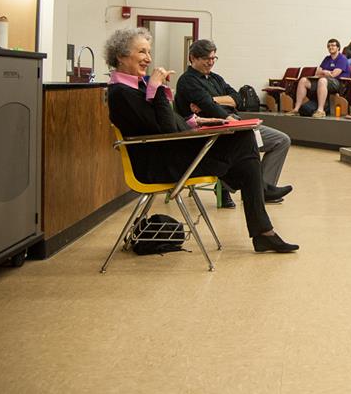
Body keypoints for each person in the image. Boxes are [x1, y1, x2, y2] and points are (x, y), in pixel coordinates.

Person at [105, 28, 298, 253]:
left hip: (171, 153)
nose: (148, 58)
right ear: (120, 56)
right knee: (244, 144)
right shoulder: (121, 92)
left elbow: (167, 123)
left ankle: (258, 216)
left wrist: (199, 123)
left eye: (149, 52)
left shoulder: (135, 86)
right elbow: (166, 130)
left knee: (244, 144)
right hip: (159, 165)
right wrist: (157, 88)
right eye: (142, 52)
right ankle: (259, 216)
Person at [174, 39, 293, 208]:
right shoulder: (187, 81)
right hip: (212, 130)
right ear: (192, 58)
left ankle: (262, 190)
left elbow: (237, 98)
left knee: (282, 140)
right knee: (248, 140)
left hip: (232, 124)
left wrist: (213, 100)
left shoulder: (215, 78)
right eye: (206, 58)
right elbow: (210, 108)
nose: (211, 62)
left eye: (214, 58)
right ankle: (254, 190)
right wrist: (228, 116)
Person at [289, 38, 350, 117]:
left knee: (322, 80)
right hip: (323, 81)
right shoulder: (327, 58)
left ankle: (321, 110)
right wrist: (326, 72)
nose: (330, 47)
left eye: (333, 45)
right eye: (329, 46)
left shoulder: (342, 58)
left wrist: (324, 72)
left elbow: (334, 74)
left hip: (338, 83)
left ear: (338, 47)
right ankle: (296, 109)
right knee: (303, 80)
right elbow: (318, 72)